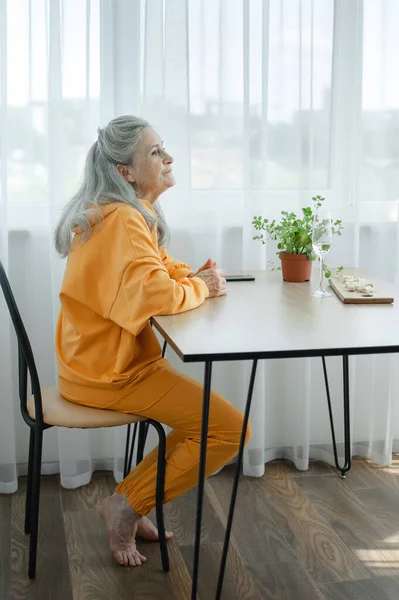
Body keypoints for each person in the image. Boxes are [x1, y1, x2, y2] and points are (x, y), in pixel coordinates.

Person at [54, 115, 251, 567]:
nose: (169, 158)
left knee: (203, 424)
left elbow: (159, 268)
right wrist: (203, 287)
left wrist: (196, 277)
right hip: (111, 374)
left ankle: (130, 498)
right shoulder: (123, 219)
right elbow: (160, 295)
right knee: (230, 429)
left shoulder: (123, 211)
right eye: (156, 152)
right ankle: (126, 504)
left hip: (95, 363)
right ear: (126, 170)